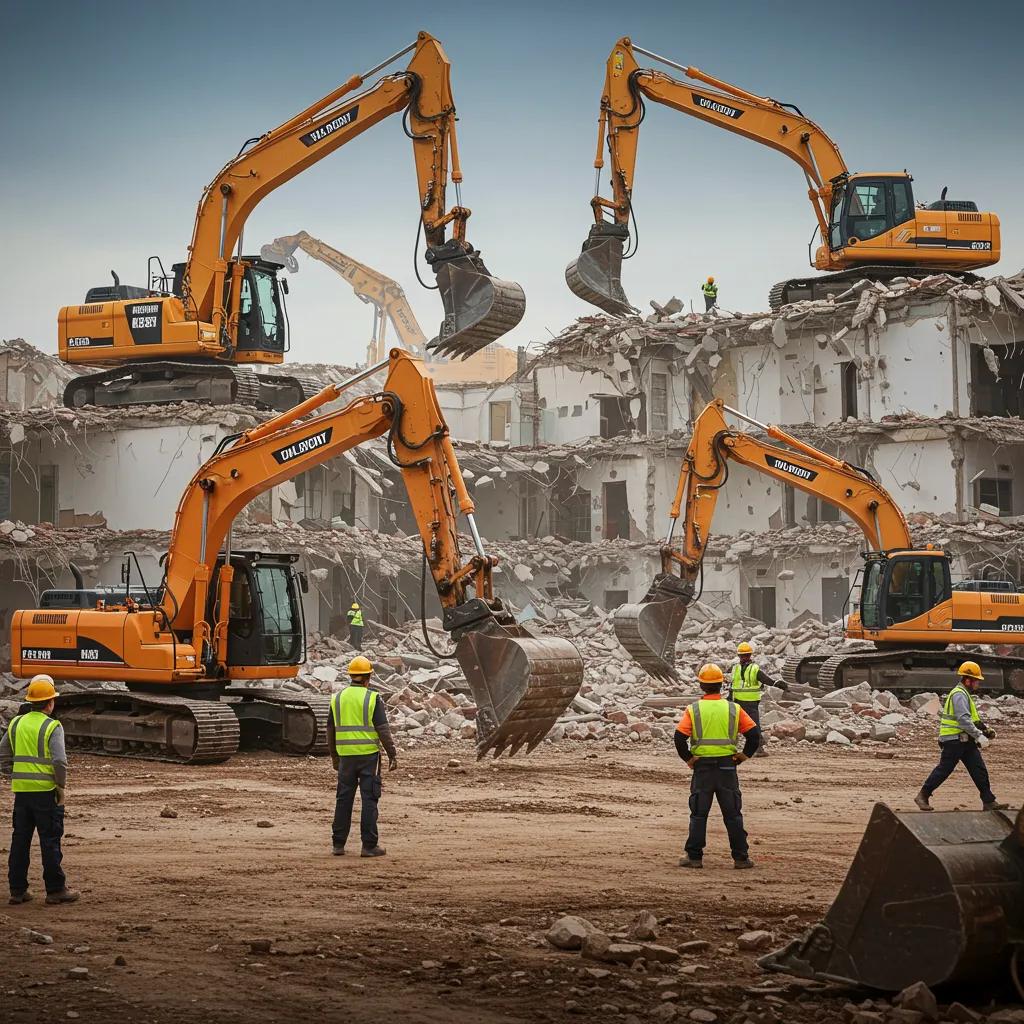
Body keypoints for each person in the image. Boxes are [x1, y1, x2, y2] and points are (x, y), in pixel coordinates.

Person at [0, 675, 79, 905]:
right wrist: (60, 787)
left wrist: (13, 775)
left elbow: (3, 755)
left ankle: (17, 891)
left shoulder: (16, 723)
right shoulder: (52, 726)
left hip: (22, 793)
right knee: (50, 840)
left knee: (20, 840)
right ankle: (55, 890)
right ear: (50, 702)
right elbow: (59, 761)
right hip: (46, 793)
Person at [675, 663, 760, 869]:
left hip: (702, 769)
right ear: (722, 685)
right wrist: (742, 757)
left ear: (702, 686)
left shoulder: (694, 709)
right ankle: (741, 858)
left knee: (698, 814)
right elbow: (754, 735)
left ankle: (694, 857)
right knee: (732, 815)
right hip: (727, 768)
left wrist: (689, 759)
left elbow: (679, 738)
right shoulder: (733, 708)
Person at [915, 661, 1007, 812]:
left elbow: (973, 719)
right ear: (968, 680)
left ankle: (988, 801)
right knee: (944, 769)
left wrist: (985, 730)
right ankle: (923, 795)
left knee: (979, 769)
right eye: (976, 681)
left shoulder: (965, 694)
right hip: (953, 740)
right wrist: (979, 736)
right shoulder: (959, 694)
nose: (978, 684)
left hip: (964, 739)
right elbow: (963, 719)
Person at [330, 656, 398, 857]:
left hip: (345, 758)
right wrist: (392, 753)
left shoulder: (337, 698)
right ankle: (368, 846)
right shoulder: (372, 698)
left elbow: (330, 730)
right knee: (369, 799)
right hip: (368, 756)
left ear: (351, 676)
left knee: (343, 799)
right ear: (368, 677)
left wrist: (335, 757)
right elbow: (383, 729)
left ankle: (338, 844)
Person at [728, 641, 785, 756]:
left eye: (746, 655)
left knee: (746, 725)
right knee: (746, 725)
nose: (744, 657)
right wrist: (730, 697)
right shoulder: (741, 669)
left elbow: (764, 679)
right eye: (744, 655)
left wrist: (775, 683)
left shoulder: (745, 669)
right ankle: (754, 747)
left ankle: (755, 748)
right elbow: (734, 684)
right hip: (743, 702)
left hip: (745, 702)